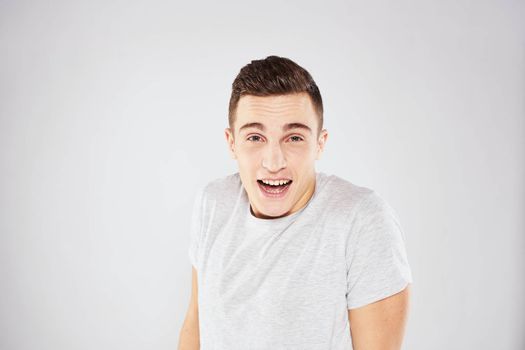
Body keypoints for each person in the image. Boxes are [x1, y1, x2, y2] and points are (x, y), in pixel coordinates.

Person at [178, 55, 413, 350]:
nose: (273, 162)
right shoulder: (212, 203)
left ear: (320, 143)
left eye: (294, 138)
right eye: (254, 137)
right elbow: (196, 323)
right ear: (231, 143)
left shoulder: (362, 219)